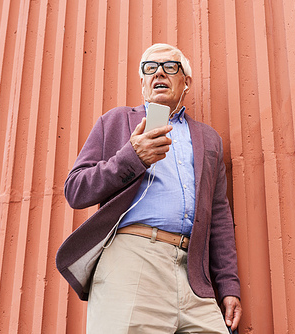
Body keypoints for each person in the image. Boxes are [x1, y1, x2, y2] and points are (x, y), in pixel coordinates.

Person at [56, 43, 242, 333]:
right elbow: (76, 190)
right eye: (150, 68)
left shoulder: (209, 139)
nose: (159, 73)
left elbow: (219, 216)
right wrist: (132, 157)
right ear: (142, 82)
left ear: (186, 82)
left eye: (170, 67)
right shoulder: (115, 121)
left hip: (194, 273)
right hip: (133, 262)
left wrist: (228, 285)